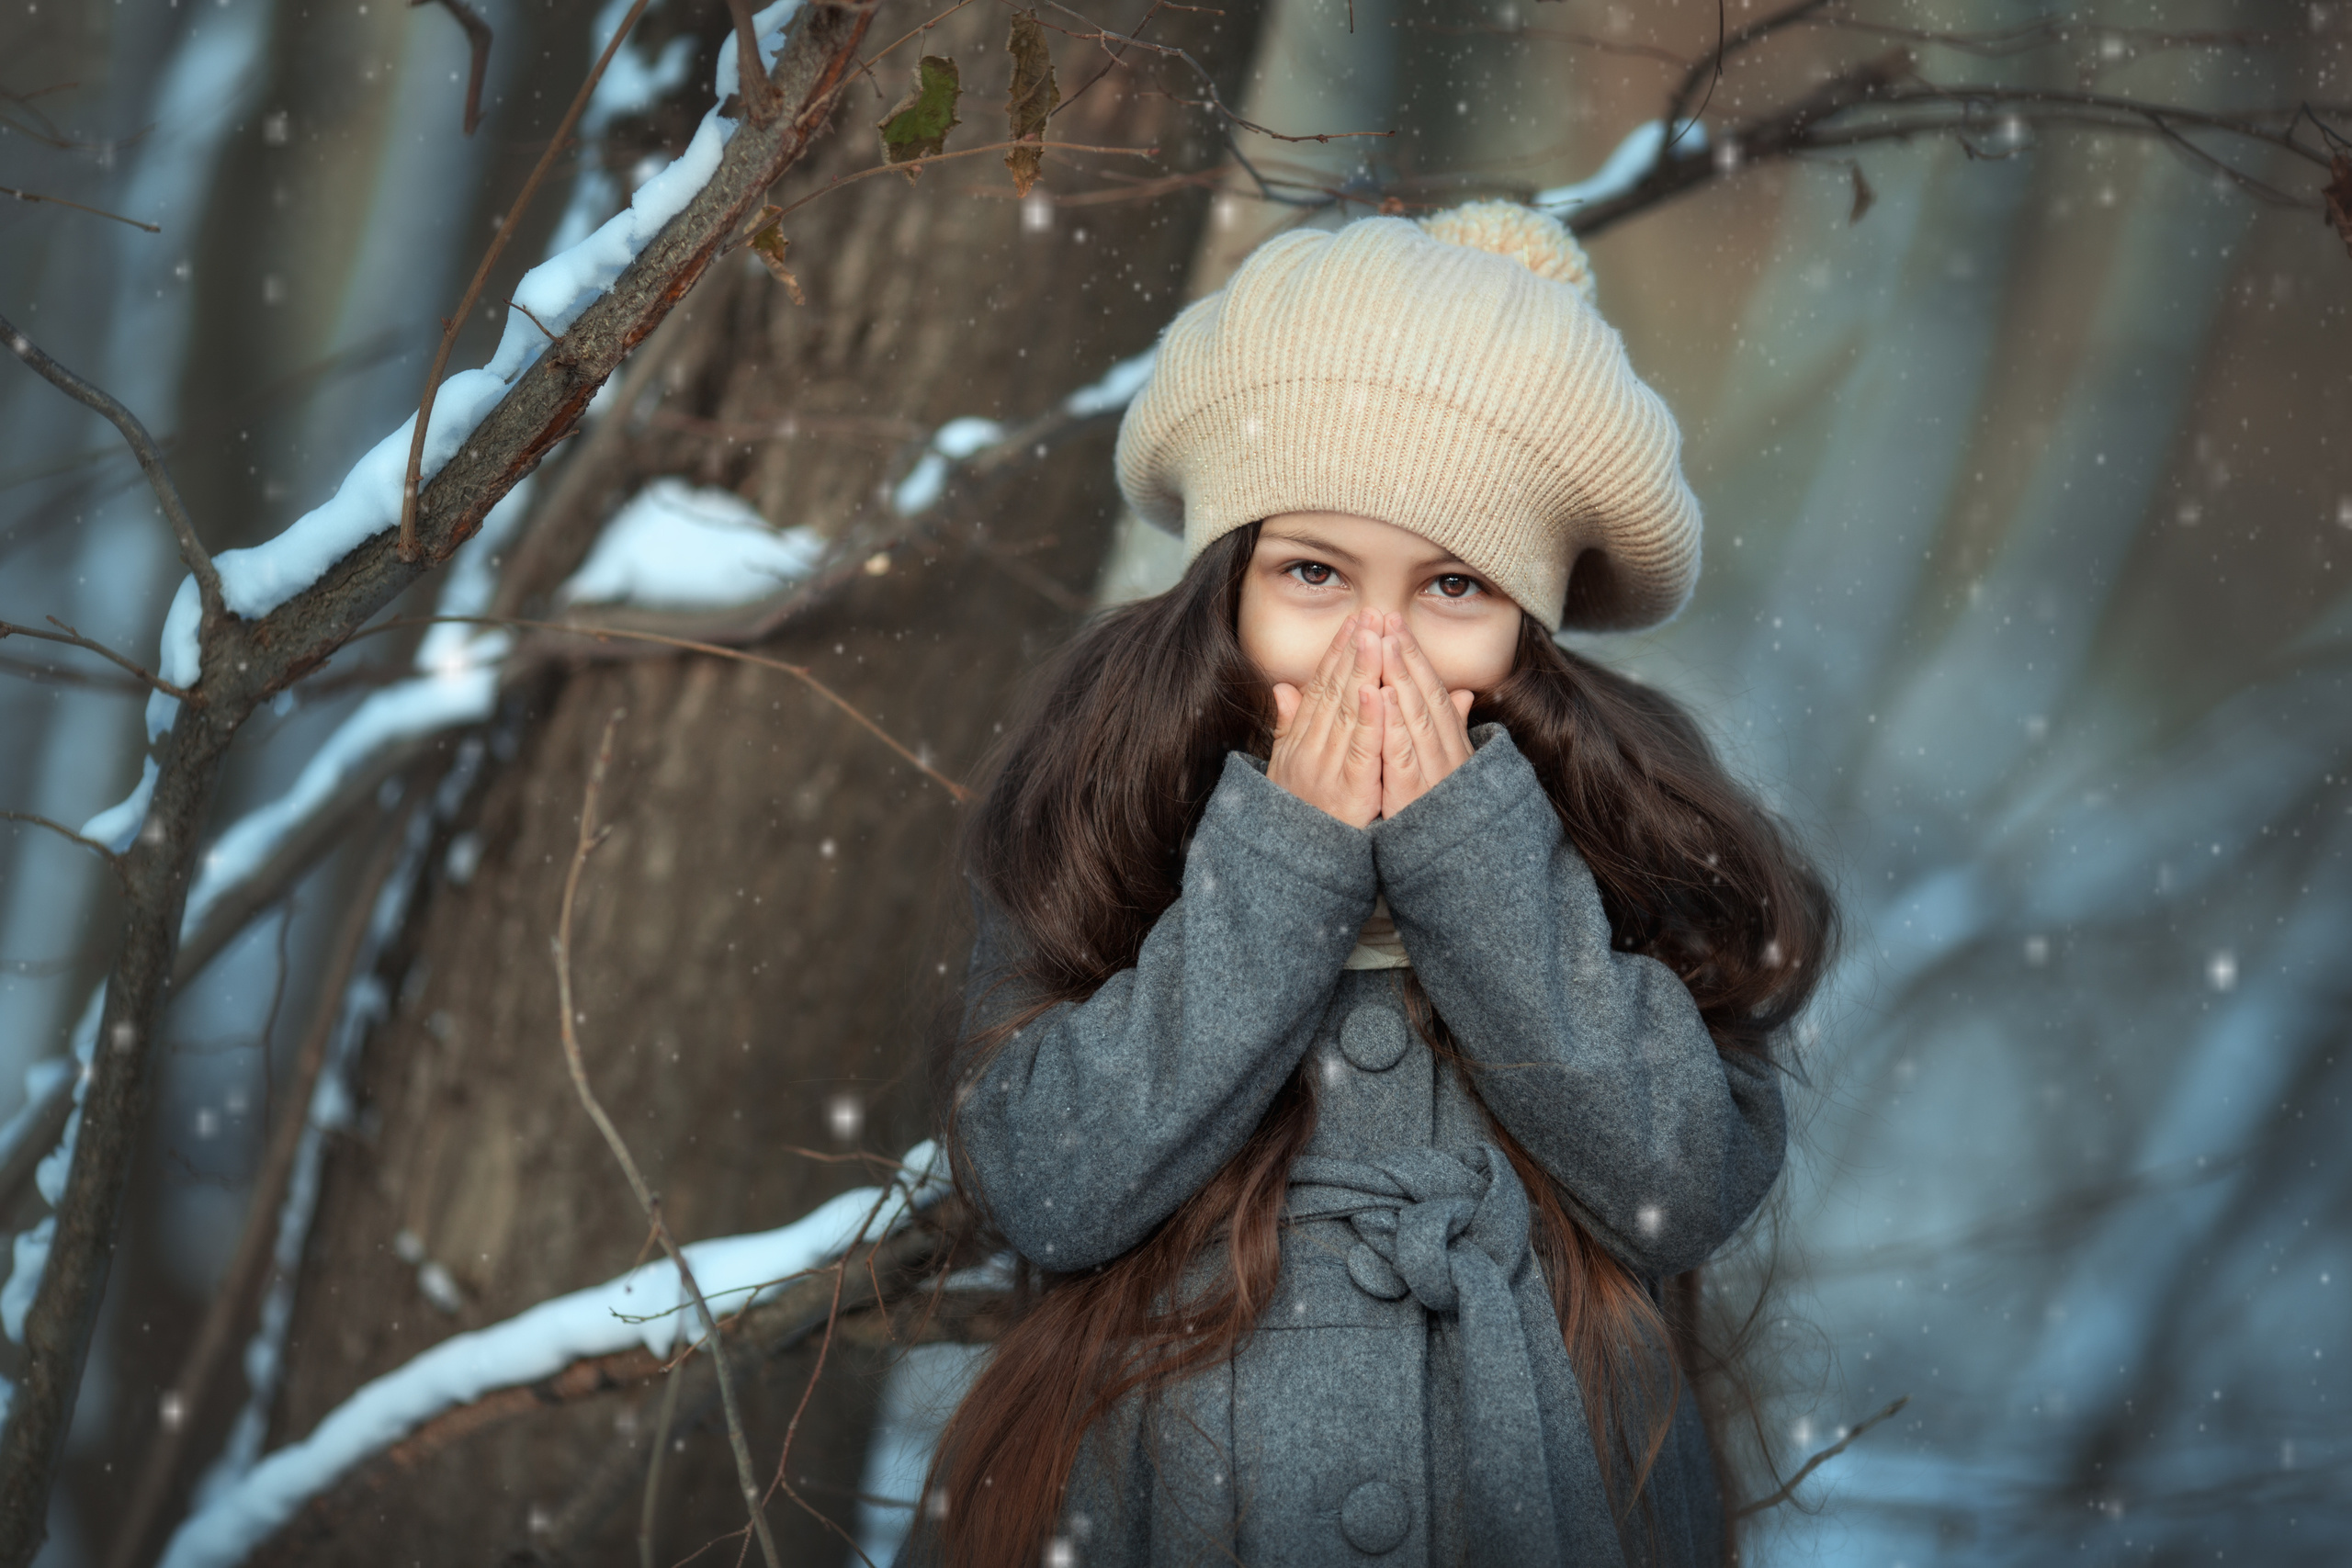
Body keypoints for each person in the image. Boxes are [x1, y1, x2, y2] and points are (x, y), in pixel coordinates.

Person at [911, 199, 1838, 1567]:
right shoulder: (1109, 817)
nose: (1377, 648)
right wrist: (1284, 866)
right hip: (1166, 1506)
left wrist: (1473, 858)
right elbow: (1049, 1181)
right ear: (1225, 591)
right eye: (1313, 573)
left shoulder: (1623, 838)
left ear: (1528, 632)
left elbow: (1679, 1178)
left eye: (1453, 586)